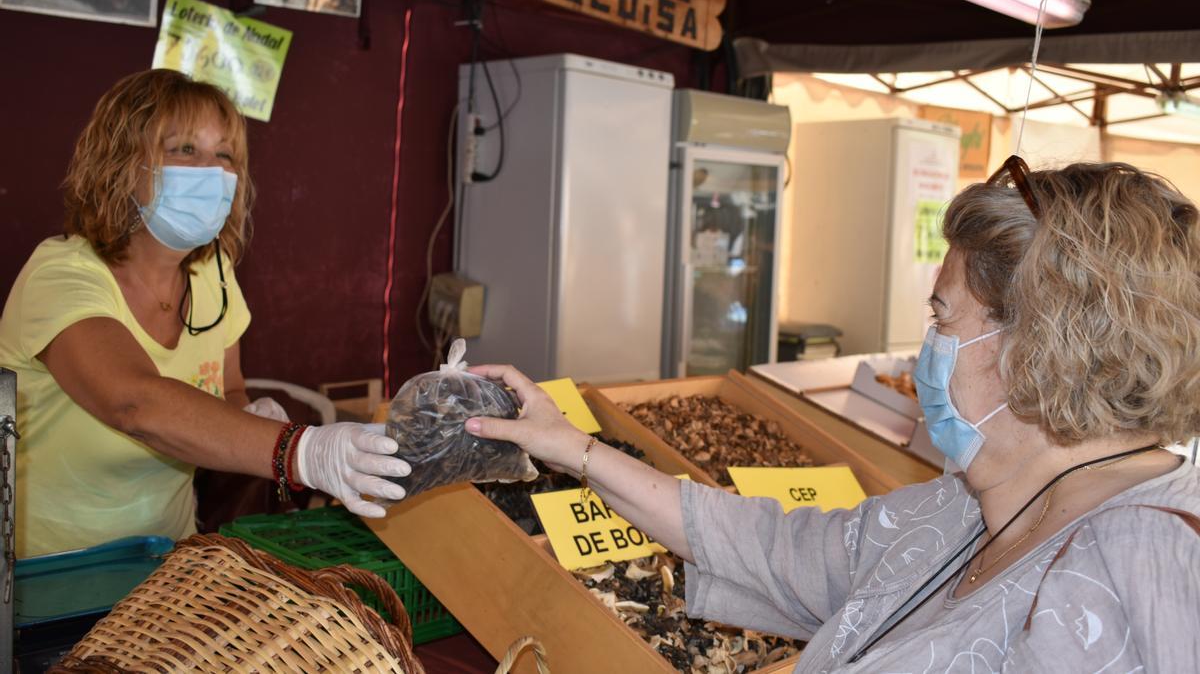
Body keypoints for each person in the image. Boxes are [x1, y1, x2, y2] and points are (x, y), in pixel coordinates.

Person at [467, 158, 1200, 671]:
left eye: (943, 319)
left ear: (1033, 346)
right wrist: (575, 448)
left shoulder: (1149, 560)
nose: (925, 355)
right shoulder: (968, 507)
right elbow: (769, 544)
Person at [0, 70, 410, 559]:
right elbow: (133, 404)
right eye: (185, 150)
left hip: (165, 562)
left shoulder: (212, 274)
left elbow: (229, 389)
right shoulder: (60, 276)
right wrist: (302, 451)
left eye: (225, 155)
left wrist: (247, 414)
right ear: (123, 163)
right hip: (46, 576)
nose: (212, 172)